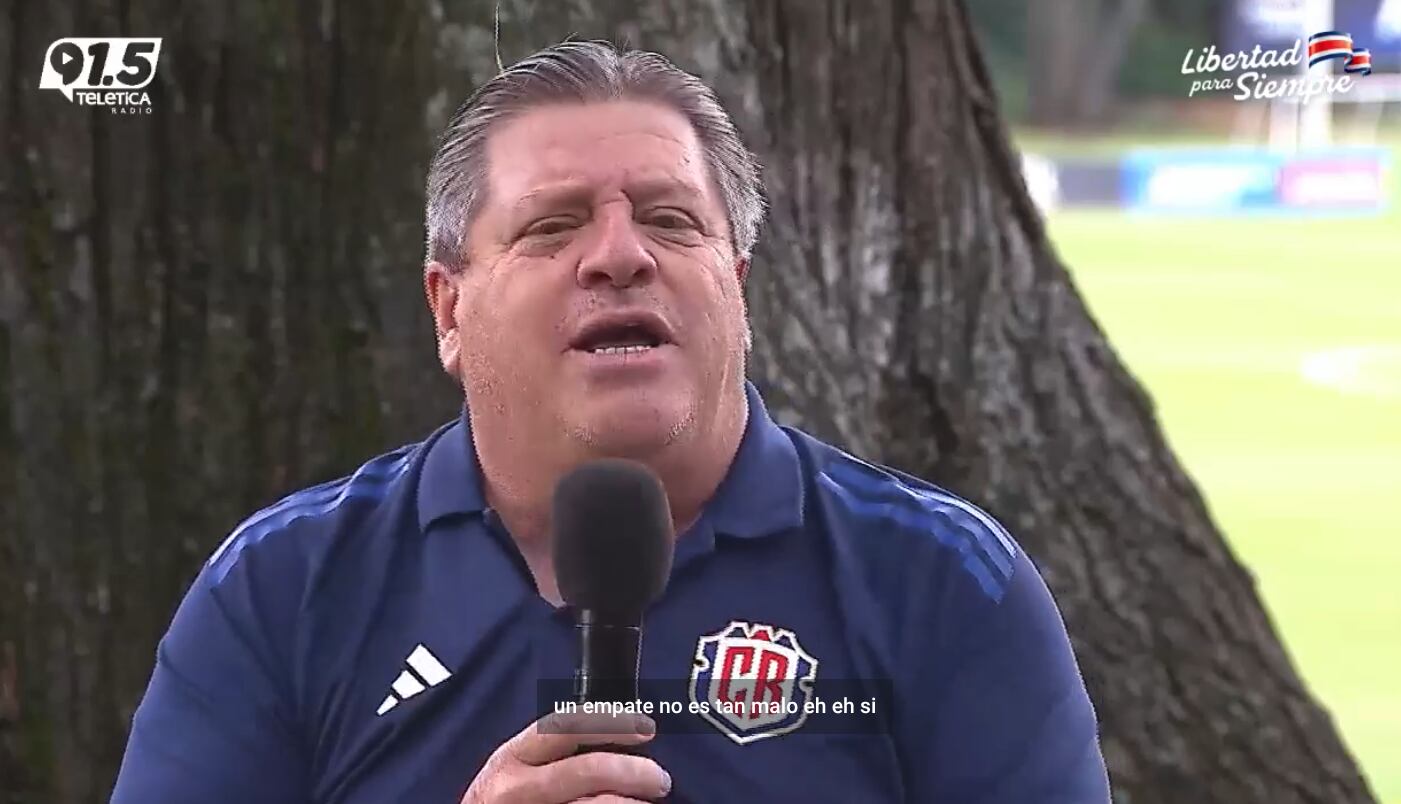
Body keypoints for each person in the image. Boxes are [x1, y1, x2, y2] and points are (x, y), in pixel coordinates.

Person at [110, 39, 1111, 803]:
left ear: (740, 286)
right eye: (553, 225)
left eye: (673, 220)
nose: (621, 256)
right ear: (448, 309)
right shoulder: (284, 588)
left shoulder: (943, 582)